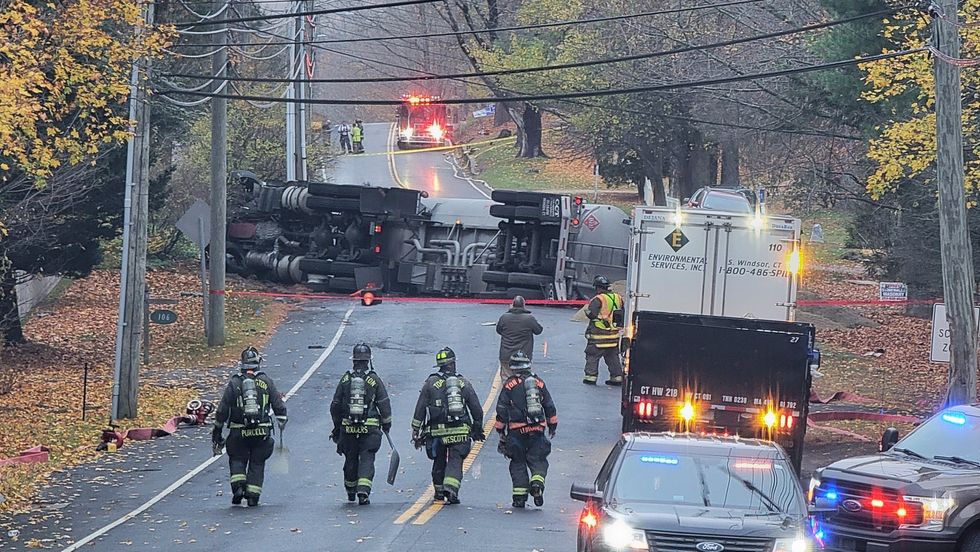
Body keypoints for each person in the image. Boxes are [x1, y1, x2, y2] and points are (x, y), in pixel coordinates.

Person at [212, 347, 287, 507]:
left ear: (242, 363)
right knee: (257, 463)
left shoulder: (235, 382)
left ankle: (238, 487)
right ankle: (253, 495)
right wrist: (282, 420)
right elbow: (278, 406)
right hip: (262, 432)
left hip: (238, 432)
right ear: (258, 363)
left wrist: (217, 431)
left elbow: (222, 410)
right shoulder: (266, 381)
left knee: (237, 458)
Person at [411, 347, 485, 504]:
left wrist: (415, 430)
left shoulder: (430, 383)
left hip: (436, 434)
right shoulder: (463, 383)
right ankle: (451, 489)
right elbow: (476, 409)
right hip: (460, 431)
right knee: (455, 460)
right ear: (453, 364)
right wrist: (477, 427)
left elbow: (420, 409)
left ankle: (438, 492)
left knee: (439, 460)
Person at [330, 343, 392, 505]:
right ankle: (363, 492)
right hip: (370, 429)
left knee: (350, 458)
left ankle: (351, 490)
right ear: (368, 360)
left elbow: (335, 405)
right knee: (367, 458)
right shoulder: (374, 379)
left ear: (354, 360)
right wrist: (386, 424)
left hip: (348, 429)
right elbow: (384, 404)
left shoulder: (346, 379)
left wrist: (337, 427)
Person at [494, 351, 557, 509]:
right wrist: (552, 426)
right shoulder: (539, 383)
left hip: (516, 431)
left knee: (518, 462)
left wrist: (500, 430)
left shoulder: (509, 385)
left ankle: (519, 498)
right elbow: (549, 405)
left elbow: (501, 408)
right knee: (538, 460)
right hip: (537, 429)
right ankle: (537, 483)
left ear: (514, 367)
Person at [583, 275, 624, 386]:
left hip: (599, 335)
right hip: (613, 336)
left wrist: (587, 313)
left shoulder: (598, 299)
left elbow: (592, 314)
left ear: (598, 288)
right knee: (612, 357)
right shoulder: (618, 298)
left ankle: (590, 378)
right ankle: (617, 377)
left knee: (592, 356)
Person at [495, 296, 543, 381]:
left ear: (512, 305)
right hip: (523, 356)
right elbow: (538, 330)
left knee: (507, 380)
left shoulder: (504, 317)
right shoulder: (529, 319)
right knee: (523, 380)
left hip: (506, 355)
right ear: (524, 306)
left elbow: (499, 330)